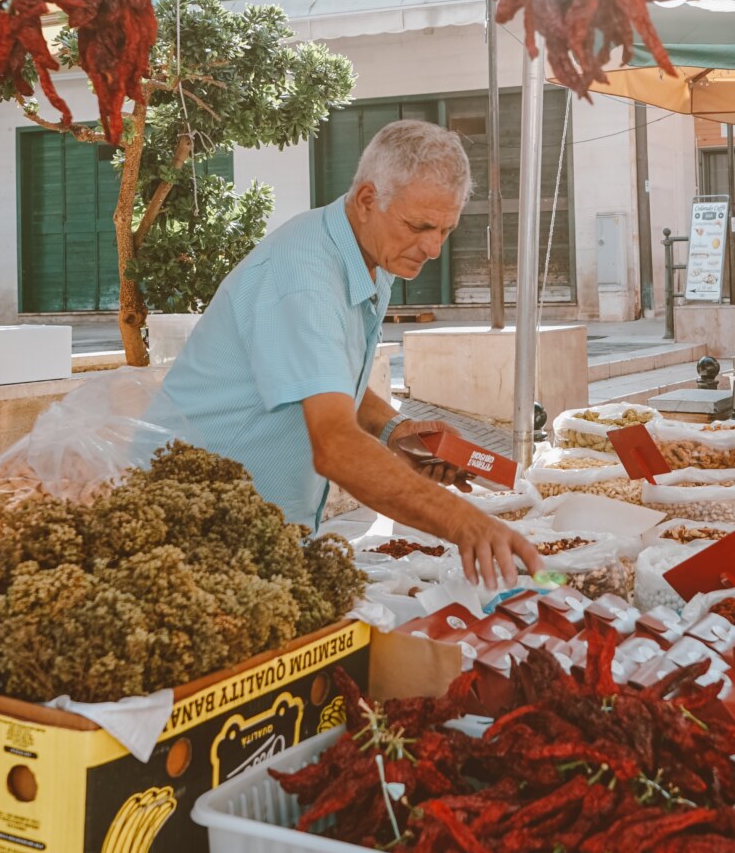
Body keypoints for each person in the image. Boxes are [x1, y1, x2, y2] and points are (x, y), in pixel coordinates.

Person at [163, 119, 539, 591]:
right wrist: (465, 523)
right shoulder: (306, 277)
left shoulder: (369, 253)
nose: (433, 249)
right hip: (192, 524)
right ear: (367, 200)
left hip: (261, 526)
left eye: (446, 229)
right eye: (420, 226)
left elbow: (323, 380)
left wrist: (395, 430)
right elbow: (336, 445)